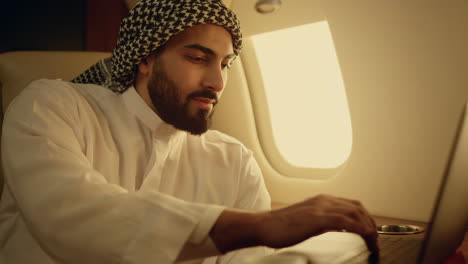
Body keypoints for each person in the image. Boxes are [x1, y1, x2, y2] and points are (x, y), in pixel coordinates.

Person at [0, 0, 378, 263]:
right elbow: (70, 217)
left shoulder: (233, 160)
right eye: (198, 58)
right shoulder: (51, 106)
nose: (217, 81)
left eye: (226, 64)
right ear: (145, 58)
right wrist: (264, 225)